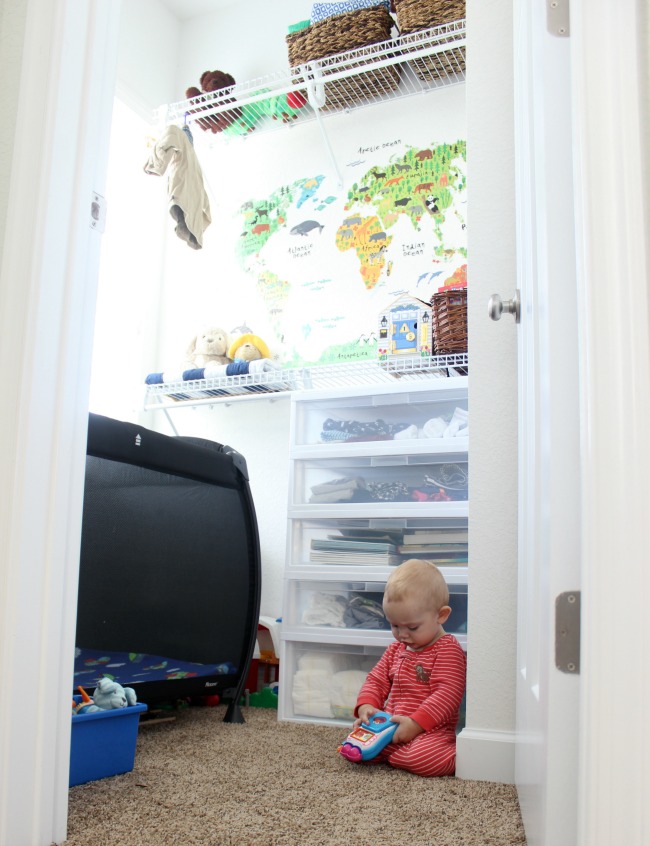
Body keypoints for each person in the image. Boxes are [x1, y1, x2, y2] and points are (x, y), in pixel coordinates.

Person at [351, 558, 466, 777]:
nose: (402, 635)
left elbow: (447, 694)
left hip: (429, 730)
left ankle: (407, 755)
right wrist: (367, 707)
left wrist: (415, 724)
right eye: (394, 625)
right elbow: (376, 680)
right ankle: (392, 752)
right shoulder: (396, 648)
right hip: (390, 726)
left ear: (441, 615)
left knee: (423, 760)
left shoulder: (447, 649)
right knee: (358, 746)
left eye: (412, 627)